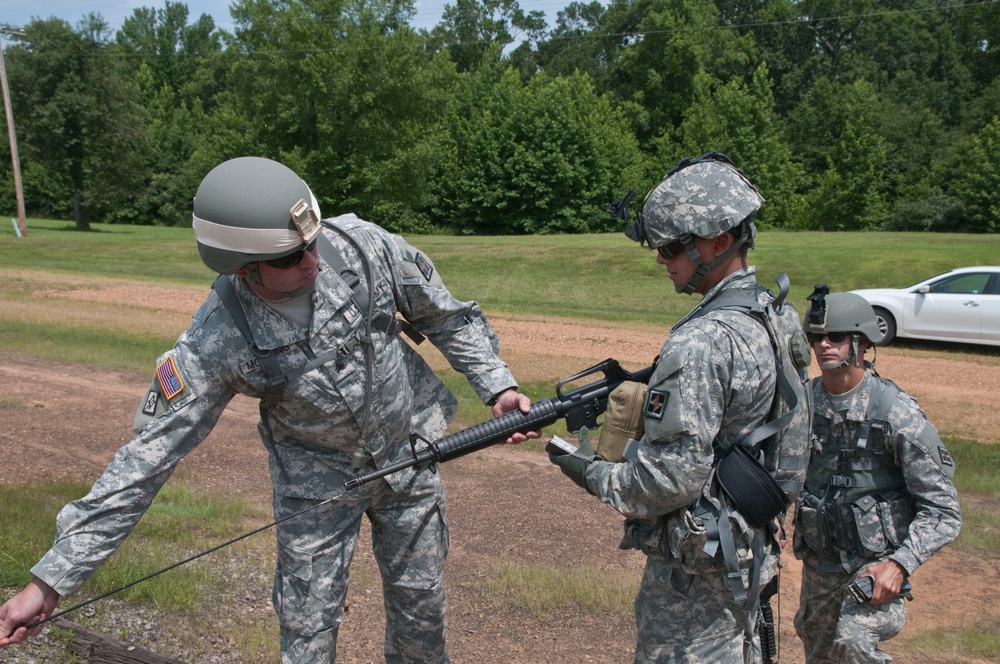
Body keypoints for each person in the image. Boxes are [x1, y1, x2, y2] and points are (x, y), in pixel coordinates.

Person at [0, 156, 537, 663]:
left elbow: (448, 317)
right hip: (317, 491)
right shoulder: (219, 339)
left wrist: (498, 388)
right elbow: (145, 461)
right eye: (288, 257)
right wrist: (50, 582)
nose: (312, 260)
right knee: (307, 631)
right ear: (242, 269)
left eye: (310, 241)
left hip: (411, 456)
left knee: (422, 616)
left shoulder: (362, 248)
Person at [550, 151, 811, 663]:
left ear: (718, 241)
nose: (661, 259)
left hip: (699, 578)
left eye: (671, 247)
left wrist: (590, 471)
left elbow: (667, 481)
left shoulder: (701, 342)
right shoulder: (776, 313)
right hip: (749, 546)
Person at [793, 289, 962, 663]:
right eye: (816, 337)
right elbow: (783, 475)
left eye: (835, 337)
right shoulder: (802, 403)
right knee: (819, 651)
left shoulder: (894, 413)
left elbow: (943, 510)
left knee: (853, 643)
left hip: (874, 569)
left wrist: (899, 564)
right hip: (820, 566)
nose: (823, 346)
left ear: (862, 342)